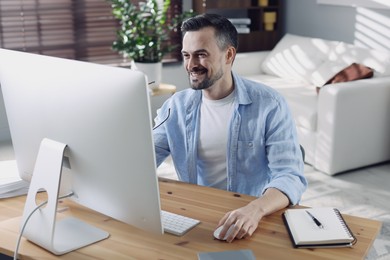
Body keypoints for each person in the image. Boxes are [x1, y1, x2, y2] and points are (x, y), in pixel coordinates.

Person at [153, 13, 307, 243]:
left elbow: (290, 176)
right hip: (198, 214)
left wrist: (255, 210)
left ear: (229, 55)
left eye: (201, 55)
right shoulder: (175, 106)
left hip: (252, 215)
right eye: (186, 55)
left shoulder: (269, 104)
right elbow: (145, 158)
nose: (191, 65)